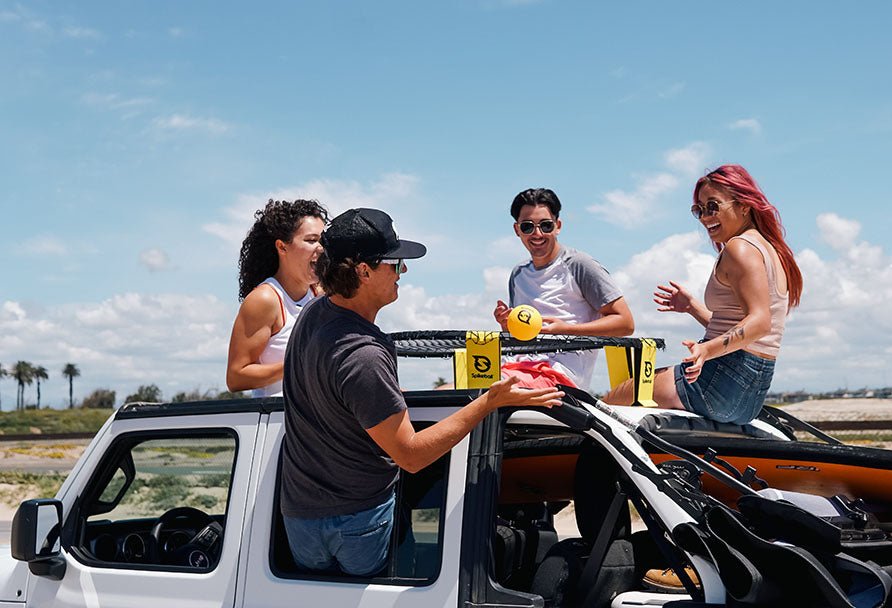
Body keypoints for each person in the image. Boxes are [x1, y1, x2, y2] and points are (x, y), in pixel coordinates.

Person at [280, 207, 563, 577]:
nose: (404, 272)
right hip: (357, 522)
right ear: (363, 271)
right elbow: (411, 457)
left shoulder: (313, 315)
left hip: (299, 518)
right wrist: (489, 403)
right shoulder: (363, 355)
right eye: (395, 264)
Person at [607, 165, 802, 425]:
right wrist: (692, 307)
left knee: (611, 401)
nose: (704, 216)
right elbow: (741, 328)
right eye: (698, 209)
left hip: (721, 376)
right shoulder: (769, 250)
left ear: (744, 205)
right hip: (750, 394)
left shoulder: (739, 248)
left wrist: (706, 350)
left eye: (713, 206)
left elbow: (760, 323)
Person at [493, 188, 634, 389]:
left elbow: (626, 323)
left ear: (558, 226)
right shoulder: (518, 274)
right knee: (448, 392)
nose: (537, 233)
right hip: (515, 369)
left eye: (546, 225)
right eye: (527, 227)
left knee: (481, 392)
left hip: (560, 378)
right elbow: (521, 337)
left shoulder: (580, 265)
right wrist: (508, 326)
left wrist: (565, 330)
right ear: (517, 230)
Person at [226, 199, 329, 397]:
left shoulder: (320, 294)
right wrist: (296, 365)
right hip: (276, 423)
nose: (321, 248)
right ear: (282, 247)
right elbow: (236, 377)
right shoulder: (266, 299)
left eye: (323, 241)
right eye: (311, 240)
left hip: (315, 422)